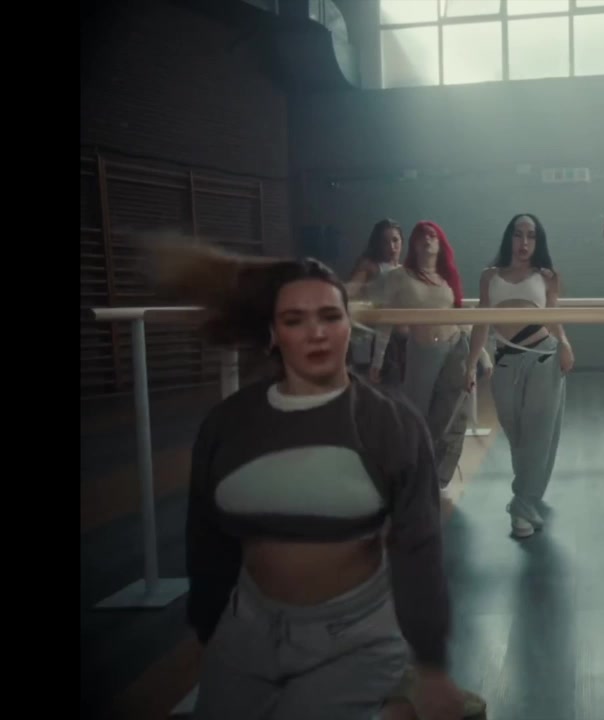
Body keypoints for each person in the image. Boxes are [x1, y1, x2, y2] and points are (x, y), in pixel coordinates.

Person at [154, 245, 485, 719]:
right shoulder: (228, 425)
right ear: (273, 333)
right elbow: (206, 542)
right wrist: (210, 628)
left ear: (350, 325)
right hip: (245, 631)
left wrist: (432, 664)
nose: (316, 333)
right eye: (295, 320)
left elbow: (419, 549)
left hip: (355, 638)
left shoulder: (389, 423)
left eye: (330, 316)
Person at [466, 213, 574, 539]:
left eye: (531, 235)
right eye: (518, 234)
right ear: (509, 238)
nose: (524, 242)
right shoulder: (489, 276)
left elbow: (553, 315)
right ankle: (529, 495)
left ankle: (522, 506)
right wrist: (470, 364)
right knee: (517, 436)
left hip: (543, 356)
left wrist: (565, 344)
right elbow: (481, 322)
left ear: (538, 242)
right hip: (505, 361)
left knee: (538, 435)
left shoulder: (547, 277)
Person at [370, 220, 470, 488]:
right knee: (415, 415)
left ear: (441, 243)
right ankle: (408, 472)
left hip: (455, 347)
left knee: (450, 413)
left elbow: (459, 316)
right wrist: (377, 361)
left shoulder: (447, 278)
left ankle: (437, 476)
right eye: (421, 236)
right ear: (413, 244)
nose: (427, 240)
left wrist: (478, 356)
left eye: (433, 236)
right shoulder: (400, 276)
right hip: (424, 352)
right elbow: (386, 320)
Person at [348, 219, 406, 382]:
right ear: (378, 244)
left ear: (402, 241)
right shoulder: (371, 266)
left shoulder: (405, 270)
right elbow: (351, 289)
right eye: (385, 242)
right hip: (372, 336)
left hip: (400, 337)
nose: (391, 247)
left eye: (395, 240)